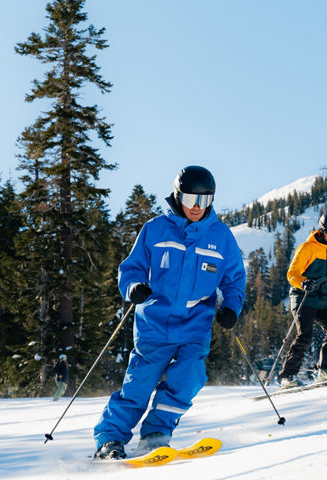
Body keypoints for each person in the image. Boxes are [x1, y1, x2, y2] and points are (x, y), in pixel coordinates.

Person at [93, 165, 246, 460]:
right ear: (178, 196)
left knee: (189, 377)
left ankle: (156, 433)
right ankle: (110, 439)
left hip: (195, 325)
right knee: (138, 384)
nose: (197, 208)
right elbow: (132, 267)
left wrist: (230, 306)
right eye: (191, 199)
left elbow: (234, 279)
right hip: (155, 322)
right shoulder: (155, 229)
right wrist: (134, 286)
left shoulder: (222, 236)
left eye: (204, 200)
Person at [278, 213, 327, 389]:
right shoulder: (307, 248)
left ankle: (325, 369)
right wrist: (303, 283)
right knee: (305, 336)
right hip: (303, 297)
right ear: (323, 229)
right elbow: (292, 273)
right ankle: (287, 377)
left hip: (323, 298)